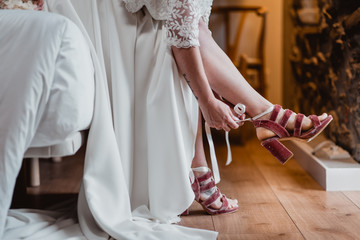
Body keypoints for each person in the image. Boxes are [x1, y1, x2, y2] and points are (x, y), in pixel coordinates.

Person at [2, 0, 332, 239]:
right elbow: (182, 39)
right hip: (88, 10)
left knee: (181, 30)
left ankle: (220, 156)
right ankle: (265, 120)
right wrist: (208, 103)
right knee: (165, 39)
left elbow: (189, 28)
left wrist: (208, 99)